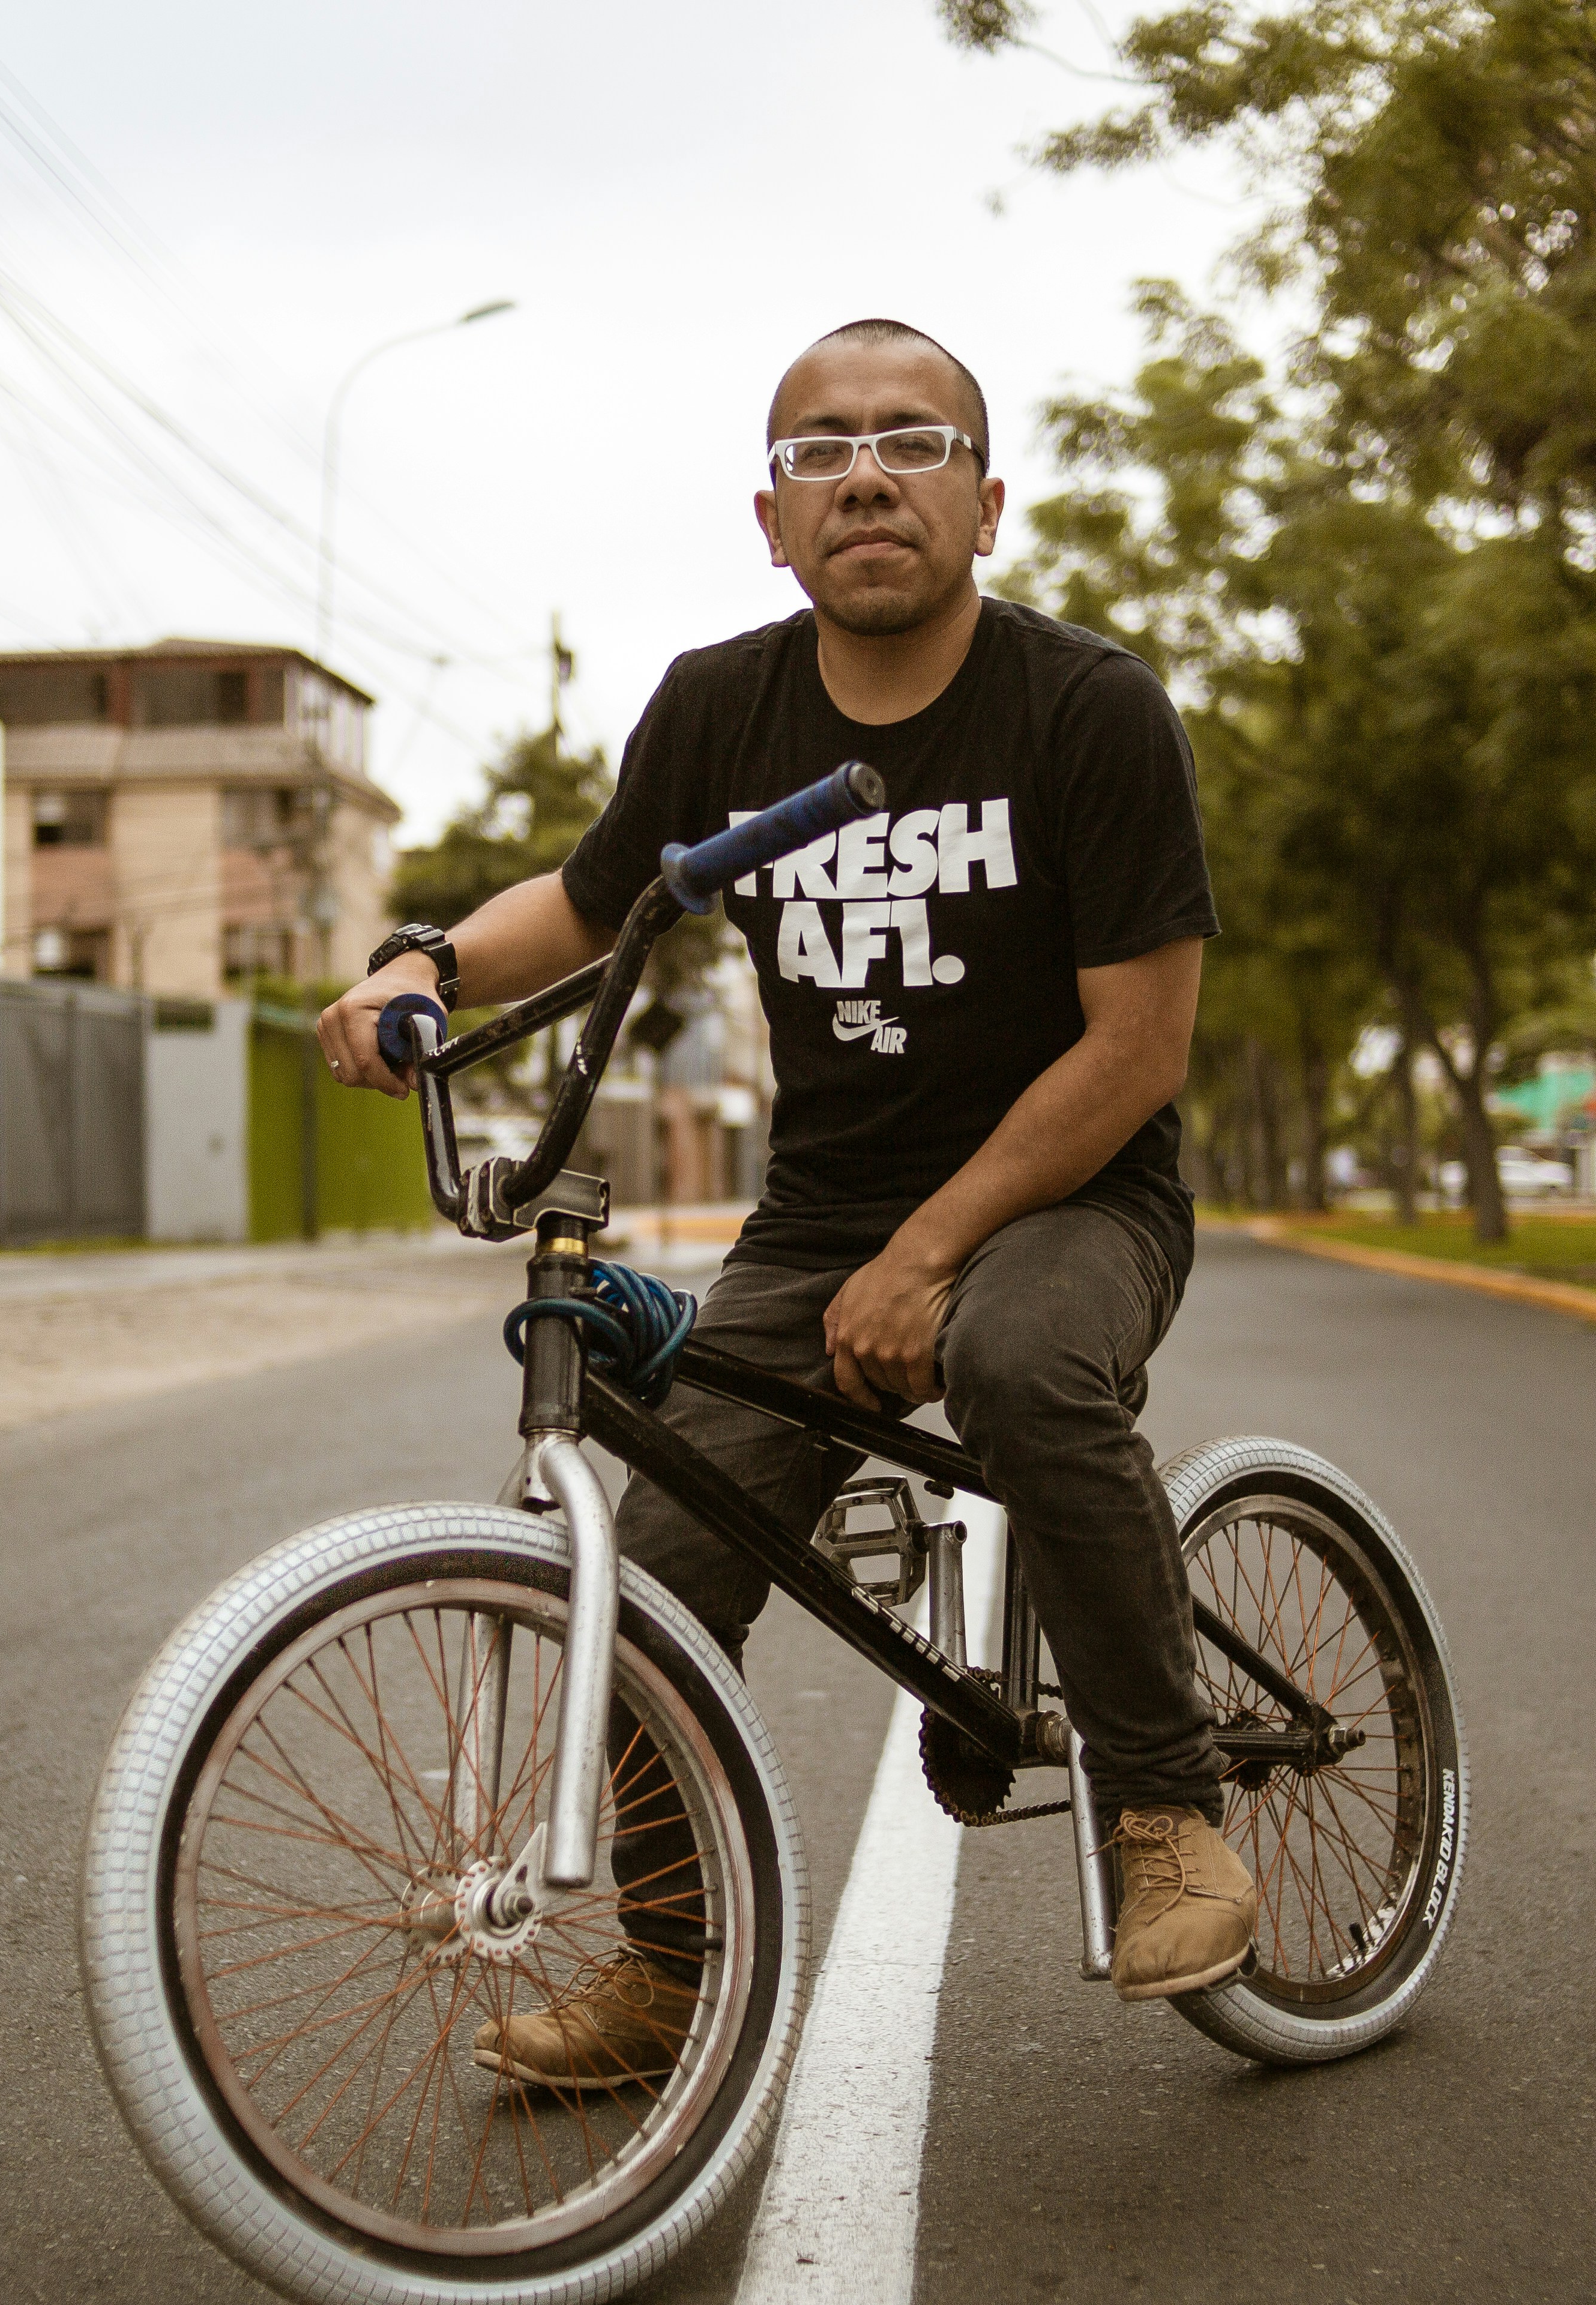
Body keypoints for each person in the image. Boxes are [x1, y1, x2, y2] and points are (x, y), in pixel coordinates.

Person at [317, 318, 1245, 2085]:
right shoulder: (720, 704)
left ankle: (1169, 1802)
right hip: (820, 1220)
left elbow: (1137, 1050)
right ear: (773, 516)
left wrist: (933, 1254)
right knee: (654, 1567)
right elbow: (591, 903)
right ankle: (665, 1977)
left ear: (987, 503)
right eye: (823, 450)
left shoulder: (1090, 709)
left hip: (1075, 1196)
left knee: (1035, 1373)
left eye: (913, 442)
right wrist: (419, 962)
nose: (868, 474)